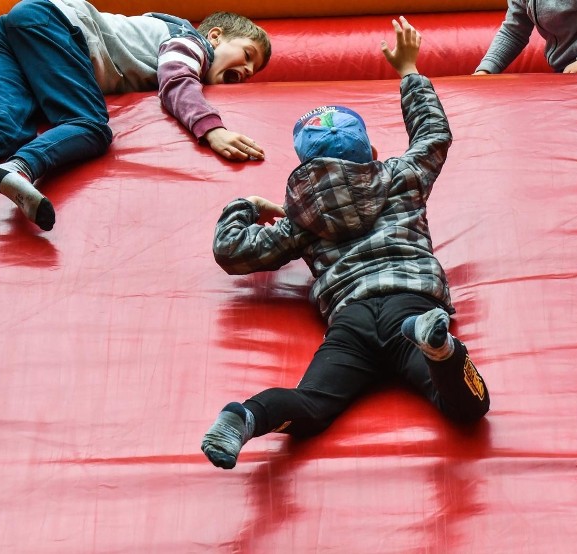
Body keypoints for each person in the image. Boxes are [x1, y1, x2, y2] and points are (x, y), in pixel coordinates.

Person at [201, 16, 490, 470]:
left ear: (306, 166)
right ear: (370, 152)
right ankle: (438, 348)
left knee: (312, 404)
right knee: (467, 405)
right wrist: (408, 70)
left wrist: (249, 205)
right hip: (408, 303)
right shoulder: (400, 176)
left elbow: (233, 252)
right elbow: (434, 134)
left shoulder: (300, 219)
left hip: (351, 320)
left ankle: (246, 415)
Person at [0, 0, 271, 249]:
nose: (248, 69)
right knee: (89, 125)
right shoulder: (189, 42)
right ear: (215, 36)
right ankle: (20, 168)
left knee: (0, 126)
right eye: (248, 55)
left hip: (7, 33)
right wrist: (212, 129)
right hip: (54, 26)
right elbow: (176, 80)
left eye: (253, 71)